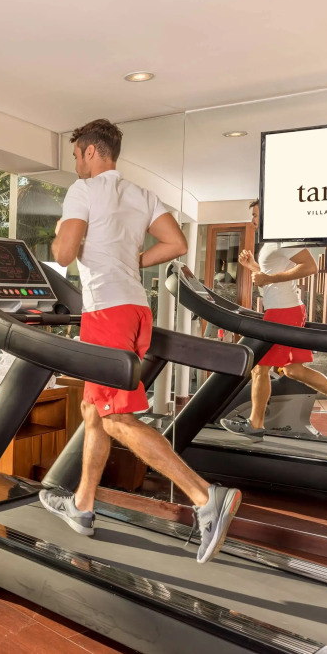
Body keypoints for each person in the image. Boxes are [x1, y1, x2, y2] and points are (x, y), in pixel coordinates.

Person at [39, 119, 240, 564]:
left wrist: (60, 235)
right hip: (135, 308)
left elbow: (64, 254)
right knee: (95, 411)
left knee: (115, 419)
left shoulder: (83, 191)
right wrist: (133, 260)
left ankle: (204, 496)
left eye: (76, 155)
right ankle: (82, 505)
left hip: (106, 311)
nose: (76, 164)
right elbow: (177, 243)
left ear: (92, 151)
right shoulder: (141, 194)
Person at [220, 200, 327, 440]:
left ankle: (255, 425)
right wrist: (253, 267)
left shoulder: (284, 239)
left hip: (283, 311)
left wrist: (269, 278)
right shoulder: (271, 242)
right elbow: (270, 277)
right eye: (253, 215)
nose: (253, 220)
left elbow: (310, 267)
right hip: (285, 309)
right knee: (293, 370)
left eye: (256, 215)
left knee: (260, 368)